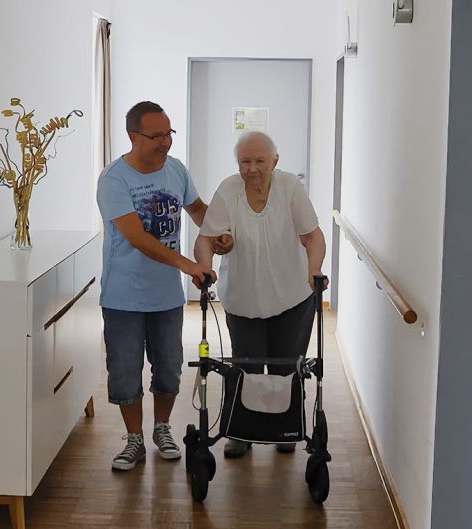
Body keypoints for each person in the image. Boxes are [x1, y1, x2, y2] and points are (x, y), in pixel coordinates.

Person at [96, 101, 233, 470]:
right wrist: (188, 265)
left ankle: (162, 429)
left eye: (168, 133)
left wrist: (218, 232)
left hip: (166, 297)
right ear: (133, 136)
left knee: (169, 368)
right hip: (124, 295)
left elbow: (198, 209)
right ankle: (134, 440)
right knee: (125, 371)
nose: (166, 142)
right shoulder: (114, 180)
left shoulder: (176, 170)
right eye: (156, 136)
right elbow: (137, 237)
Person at [194, 131, 326, 459]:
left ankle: (286, 427)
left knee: (287, 366)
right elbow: (206, 238)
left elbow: (313, 235)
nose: (252, 168)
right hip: (243, 299)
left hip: (292, 296)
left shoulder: (289, 188)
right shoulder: (228, 190)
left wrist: (314, 269)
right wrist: (205, 267)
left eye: (260, 161)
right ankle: (241, 432)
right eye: (245, 161)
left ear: (275, 162)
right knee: (245, 367)